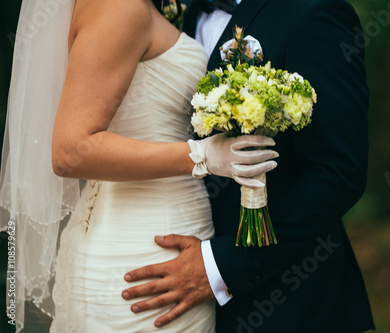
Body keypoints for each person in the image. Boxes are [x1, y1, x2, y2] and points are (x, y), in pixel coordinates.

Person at [0, 0, 278, 332]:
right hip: (146, 251)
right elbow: (70, 151)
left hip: (141, 238)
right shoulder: (121, 7)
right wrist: (202, 155)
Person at [122, 0, 376, 332]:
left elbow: (339, 171)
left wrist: (220, 267)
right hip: (180, 280)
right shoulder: (180, 12)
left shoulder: (314, 11)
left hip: (290, 301)